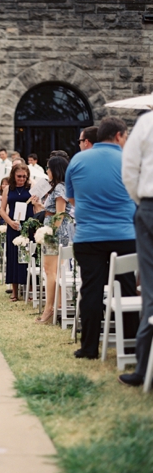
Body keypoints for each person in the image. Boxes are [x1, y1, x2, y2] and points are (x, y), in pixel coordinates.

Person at [66, 117, 138, 361]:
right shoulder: (129, 159)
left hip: (88, 237)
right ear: (118, 135)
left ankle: (88, 348)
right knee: (127, 288)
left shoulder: (77, 160)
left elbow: (72, 200)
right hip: (125, 235)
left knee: (91, 290)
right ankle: (129, 346)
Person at [121, 110, 153, 386]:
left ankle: (145, 369)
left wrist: (142, 202)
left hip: (150, 206)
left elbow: (129, 170)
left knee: (151, 290)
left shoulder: (147, 123)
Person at [29, 156, 74, 324]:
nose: (46, 171)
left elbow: (60, 215)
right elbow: (50, 211)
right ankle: (57, 305)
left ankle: (49, 308)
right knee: (54, 271)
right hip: (53, 230)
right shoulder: (57, 188)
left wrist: (49, 233)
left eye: (48, 168)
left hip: (56, 233)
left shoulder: (60, 188)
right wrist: (40, 204)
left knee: (50, 271)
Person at [0, 163, 32, 302]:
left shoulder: (31, 187)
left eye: (24, 176)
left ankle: (30, 289)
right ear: (13, 175)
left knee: (28, 256)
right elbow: (2, 209)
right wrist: (9, 222)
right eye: (19, 176)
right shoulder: (8, 189)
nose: (22, 179)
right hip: (13, 225)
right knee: (13, 256)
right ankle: (14, 291)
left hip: (28, 225)